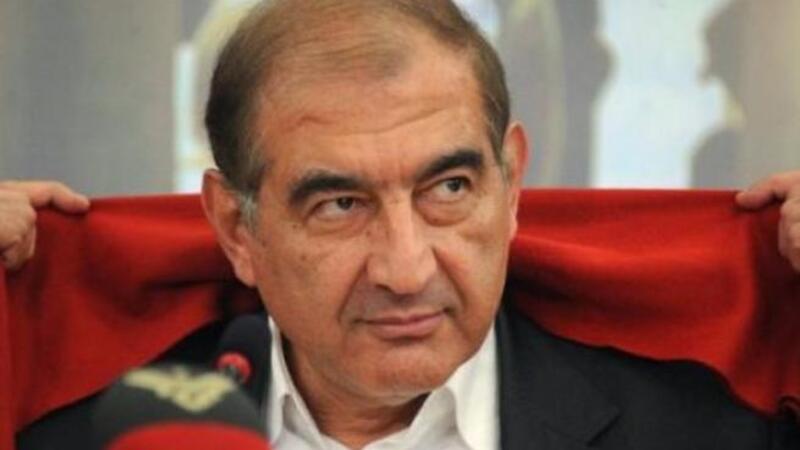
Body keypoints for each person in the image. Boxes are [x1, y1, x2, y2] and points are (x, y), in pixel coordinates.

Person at [6, 1, 800, 449]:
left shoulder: (701, 436)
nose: (406, 269)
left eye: (448, 188)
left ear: (511, 186)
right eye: (340, 204)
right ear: (235, 228)